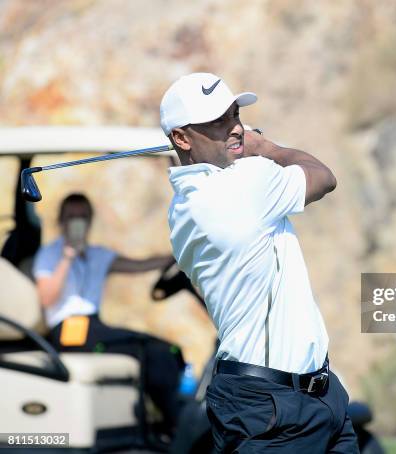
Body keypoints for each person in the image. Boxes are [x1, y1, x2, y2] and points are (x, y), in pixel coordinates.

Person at [161, 72, 358, 452]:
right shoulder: (244, 185)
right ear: (182, 138)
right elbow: (324, 177)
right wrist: (265, 146)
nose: (234, 128)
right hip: (272, 407)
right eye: (217, 122)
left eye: (234, 115)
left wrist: (234, 148)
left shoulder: (183, 206)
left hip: (313, 394)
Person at [32, 193, 185, 432]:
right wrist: (66, 258)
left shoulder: (98, 254)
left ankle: (165, 422)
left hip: (94, 327)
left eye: (82, 217)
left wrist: (178, 257)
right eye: (71, 217)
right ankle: (171, 426)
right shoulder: (50, 255)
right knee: (149, 352)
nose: (77, 222)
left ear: (90, 221)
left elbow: (139, 265)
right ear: (61, 221)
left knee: (167, 350)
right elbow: (46, 298)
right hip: (68, 330)